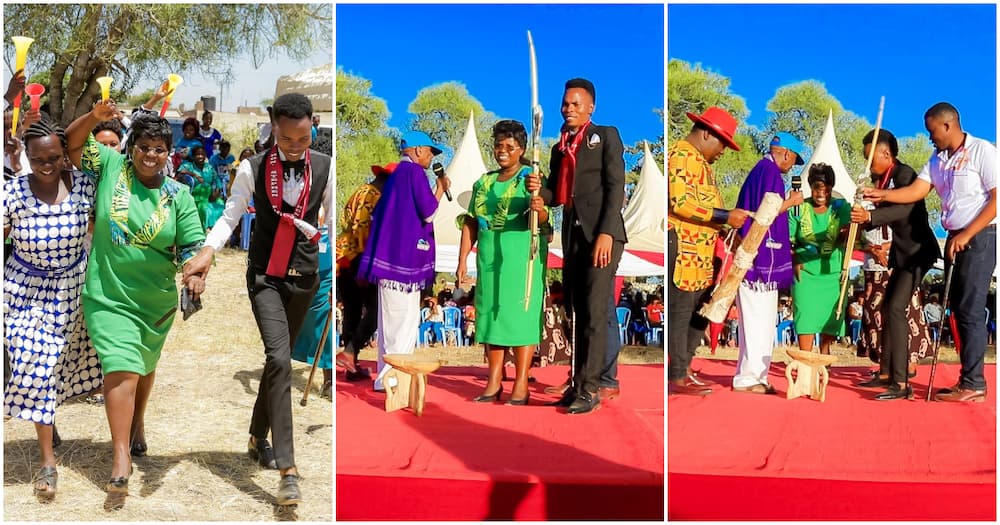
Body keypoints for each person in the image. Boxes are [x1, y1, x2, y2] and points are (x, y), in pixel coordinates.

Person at [183, 93, 332, 504]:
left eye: (304, 138)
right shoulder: (251, 167)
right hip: (265, 276)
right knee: (281, 358)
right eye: (287, 139)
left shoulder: (325, 166)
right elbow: (231, 215)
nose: (296, 146)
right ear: (272, 127)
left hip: (306, 278)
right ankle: (288, 468)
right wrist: (208, 251)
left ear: (313, 126)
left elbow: (334, 224)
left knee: (276, 363)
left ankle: (256, 436)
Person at [65, 84, 206, 501]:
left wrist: (195, 275)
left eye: (159, 149)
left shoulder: (179, 195)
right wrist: (94, 116)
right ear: (132, 148)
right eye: (143, 146)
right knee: (122, 367)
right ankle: (120, 455)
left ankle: (138, 422)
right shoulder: (110, 166)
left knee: (143, 366)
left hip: (155, 301)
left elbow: (193, 246)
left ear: (169, 153)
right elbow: (71, 144)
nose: (150, 154)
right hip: (108, 295)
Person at [864, 103, 996, 403]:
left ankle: (974, 383)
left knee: (971, 309)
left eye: (931, 130)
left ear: (948, 125)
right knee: (959, 310)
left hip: (980, 235)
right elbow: (917, 191)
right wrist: (881, 194)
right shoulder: (937, 159)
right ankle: (968, 379)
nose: (929, 137)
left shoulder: (982, 151)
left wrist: (967, 234)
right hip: (954, 236)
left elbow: (996, 199)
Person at [4, 120, 101, 500]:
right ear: (26, 157)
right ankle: (47, 463)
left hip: (72, 290)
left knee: (57, 365)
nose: (46, 164)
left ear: (65, 156)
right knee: (35, 361)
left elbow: (104, 227)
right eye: (38, 158)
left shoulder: (85, 188)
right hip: (23, 290)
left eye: (54, 157)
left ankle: (47, 417)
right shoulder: (11, 193)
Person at [525, 78, 626, 414]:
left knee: (596, 312)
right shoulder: (559, 148)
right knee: (577, 312)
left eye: (576, 104)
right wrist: (540, 194)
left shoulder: (606, 136)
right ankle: (577, 381)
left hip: (602, 234)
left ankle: (591, 387)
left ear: (590, 107)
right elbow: (556, 193)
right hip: (572, 235)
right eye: (566, 104)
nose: (568, 109)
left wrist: (607, 233)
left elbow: (616, 187)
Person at [456, 119, 548, 405]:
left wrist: (539, 206)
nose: (502, 151)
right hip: (489, 258)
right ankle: (493, 380)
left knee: (520, 317)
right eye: (498, 145)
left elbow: (544, 220)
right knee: (490, 317)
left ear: (521, 149)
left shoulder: (531, 178)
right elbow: (471, 222)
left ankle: (521, 382)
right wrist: (462, 261)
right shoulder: (482, 183)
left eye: (509, 146)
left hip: (522, 258)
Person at [356, 131, 449, 391]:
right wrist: (440, 188)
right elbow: (429, 212)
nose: (432, 158)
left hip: (390, 260)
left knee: (389, 323)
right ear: (418, 150)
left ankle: (385, 377)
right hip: (402, 263)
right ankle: (396, 379)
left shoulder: (397, 175)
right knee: (402, 321)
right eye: (431, 152)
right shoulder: (414, 173)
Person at [851, 129, 940, 399]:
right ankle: (887, 372)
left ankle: (901, 383)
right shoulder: (883, 180)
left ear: (886, 154)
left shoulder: (904, 175)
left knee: (896, 307)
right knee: (890, 307)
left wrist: (870, 216)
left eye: (870, 158)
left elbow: (906, 207)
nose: (868, 164)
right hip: (902, 254)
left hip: (917, 252)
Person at [665, 106, 748, 396]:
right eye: (722, 142)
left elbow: (703, 211)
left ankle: (685, 368)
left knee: (698, 310)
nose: (724, 150)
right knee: (680, 310)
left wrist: (725, 229)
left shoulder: (701, 163)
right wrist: (726, 217)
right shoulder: (682, 156)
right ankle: (675, 375)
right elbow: (681, 203)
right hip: (683, 246)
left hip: (700, 251)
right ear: (705, 133)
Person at [731, 132, 805, 394]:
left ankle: (755, 374)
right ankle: (749, 377)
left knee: (760, 318)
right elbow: (768, 210)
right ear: (786, 153)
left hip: (757, 253)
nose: (791, 167)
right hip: (758, 257)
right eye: (793, 160)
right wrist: (792, 202)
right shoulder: (771, 172)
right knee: (757, 317)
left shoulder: (760, 170)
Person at [334, 162, 395, 379]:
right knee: (376, 310)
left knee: (352, 311)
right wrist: (363, 262)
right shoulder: (374, 195)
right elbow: (361, 228)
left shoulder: (360, 191)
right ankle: (351, 351)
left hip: (343, 257)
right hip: (358, 258)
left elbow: (346, 221)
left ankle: (352, 366)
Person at [789, 163, 851, 355]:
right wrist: (794, 260)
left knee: (831, 316)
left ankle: (825, 353)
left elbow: (852, 236)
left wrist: (848, 232)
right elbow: (788, 240)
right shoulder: (799, 208)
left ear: (832, 187)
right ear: (810, 187)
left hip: (834, 274)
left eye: (826, 188)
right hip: (805, 273)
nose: (821, 193)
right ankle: (805, 358)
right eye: (817, 188)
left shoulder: (841, 207)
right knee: (805, 315)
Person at [290, 226, 333, 398]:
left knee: (322, 313)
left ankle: (329, 377)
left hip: (326, 250)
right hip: (298, 246)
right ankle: (279, 362)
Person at [177, 145, 224, 231]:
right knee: (204, 208)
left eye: (202, 154)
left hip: (210, 195)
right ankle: (206, 230)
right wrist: (195, 175)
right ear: (193, 156)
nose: (200, 156)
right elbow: (180, 173)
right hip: (196, 196)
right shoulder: (188, 166)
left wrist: (216, 192)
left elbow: (217, 180)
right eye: (197, 154)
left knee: (221, 204)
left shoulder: (209, 167)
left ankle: (218, 230)